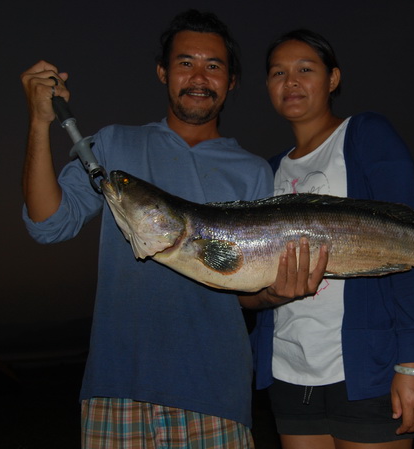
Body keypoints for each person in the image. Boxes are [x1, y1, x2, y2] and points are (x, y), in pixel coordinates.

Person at [20, 9, 292, 448]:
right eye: (185, 63)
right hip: (119, 385)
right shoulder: (113, 145)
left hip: (217, 392)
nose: (199, 77)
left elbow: (243, 291)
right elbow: (48, 225)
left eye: (214, 66)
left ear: (232, 80)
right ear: (163, 72)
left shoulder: (255, 172)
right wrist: (38, 124)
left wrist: (272, 294)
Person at [245, 29, 414, 449]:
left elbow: (412, 245)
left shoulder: (366, 134)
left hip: (368, 368)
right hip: (289, 370)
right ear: (267, 86)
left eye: (305, 70)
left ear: (332, 79)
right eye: (278, 72)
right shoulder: (267, 171)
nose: (290, 82)